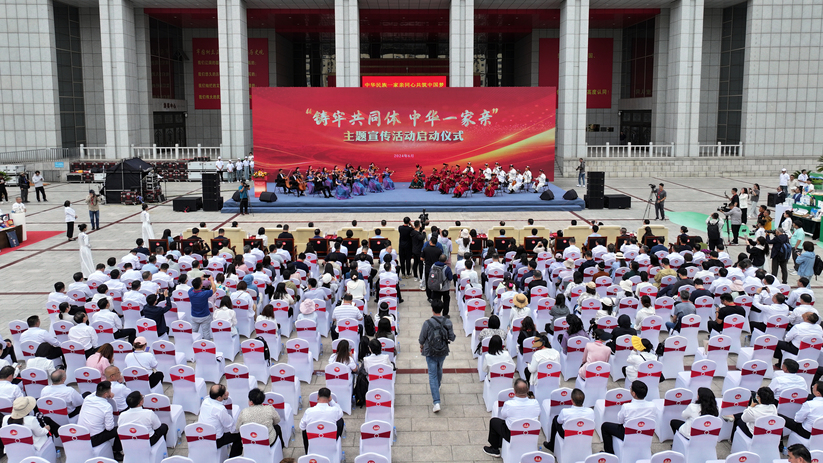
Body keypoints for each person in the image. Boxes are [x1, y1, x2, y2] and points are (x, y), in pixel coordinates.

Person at [600, 381, 658, 454]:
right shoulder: (653, 406)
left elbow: (620, 421)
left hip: (627, 433)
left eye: (630, 388)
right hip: (646, 434)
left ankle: (609, 453)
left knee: (605, 426)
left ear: (633, 394)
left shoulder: (627, 407)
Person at [418, 300, 455, 413]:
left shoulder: (427, 323)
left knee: (432, 375)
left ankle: (436, 402)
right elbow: (452, 337)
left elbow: (422, 338)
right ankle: (437, 386)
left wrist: (421, 346)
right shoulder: (447, 322)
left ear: (432, 309)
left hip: (430, 351)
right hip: (443, 351)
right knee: (439, 367)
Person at [78, 381, 124, 458]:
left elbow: (95, 393)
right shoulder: (107, 407)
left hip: (81, 434)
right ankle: (117, 452)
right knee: (120, 429)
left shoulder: (88, 398)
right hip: (94, 439)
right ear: (105, 394)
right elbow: (109, 428)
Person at [543, 388, 595, 452]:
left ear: (571, 400)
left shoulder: (565, 412)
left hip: (567, 435)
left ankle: (552, 444)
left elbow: (559, 421)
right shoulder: (591, 412)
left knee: (555, 419)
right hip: (584, 434)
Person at [200, 384, 243, 457]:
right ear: (219, 397)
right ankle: (233, 458)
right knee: (238, 436)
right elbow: (230, 425)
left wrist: (225, 398)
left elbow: (219, 403)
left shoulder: (205, 401)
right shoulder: (220, 409)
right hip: (215, 441)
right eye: (224, 393)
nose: (226, 393)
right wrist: (240, 429)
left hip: (202, 437)